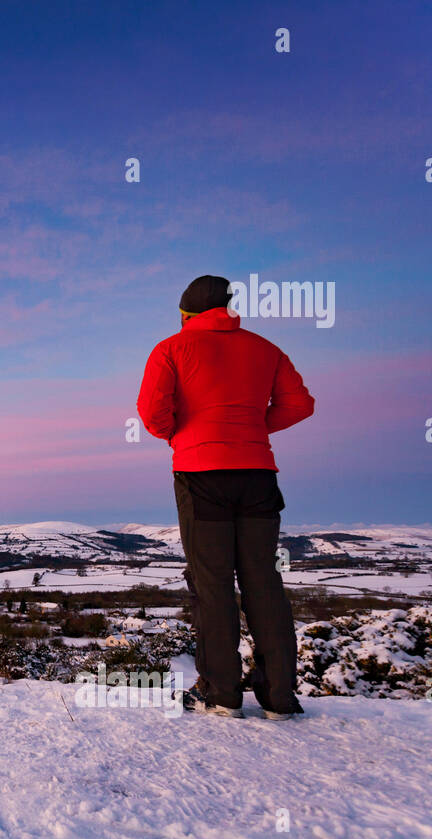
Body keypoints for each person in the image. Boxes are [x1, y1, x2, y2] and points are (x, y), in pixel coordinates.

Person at [137, 275, 315, 719]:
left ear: (185, 313)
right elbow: (299, 404)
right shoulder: (265, 349)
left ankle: (220, 694)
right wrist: (251, 430)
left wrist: (187, 434)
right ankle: (279, 697)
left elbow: (153, 414)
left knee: (212, 584)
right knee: (264, 582)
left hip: (202, 475)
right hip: (258, 475)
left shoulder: (171, 349)